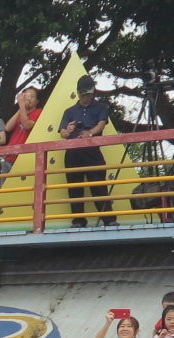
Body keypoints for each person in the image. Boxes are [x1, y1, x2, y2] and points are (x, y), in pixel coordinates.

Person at [61, 76, 115, 227]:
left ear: (93, 93)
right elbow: (62, 133)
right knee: (74, 187)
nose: (85, 97)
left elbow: (101, 124)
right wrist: (69, 130)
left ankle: (109, 219)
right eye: (82, 94)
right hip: (73, 152)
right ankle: (78, 220)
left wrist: (89, 133)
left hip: (92, 151)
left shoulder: (101, 107)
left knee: (99, 186)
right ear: (78, 93)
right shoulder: (69, 111)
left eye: (88, 94)